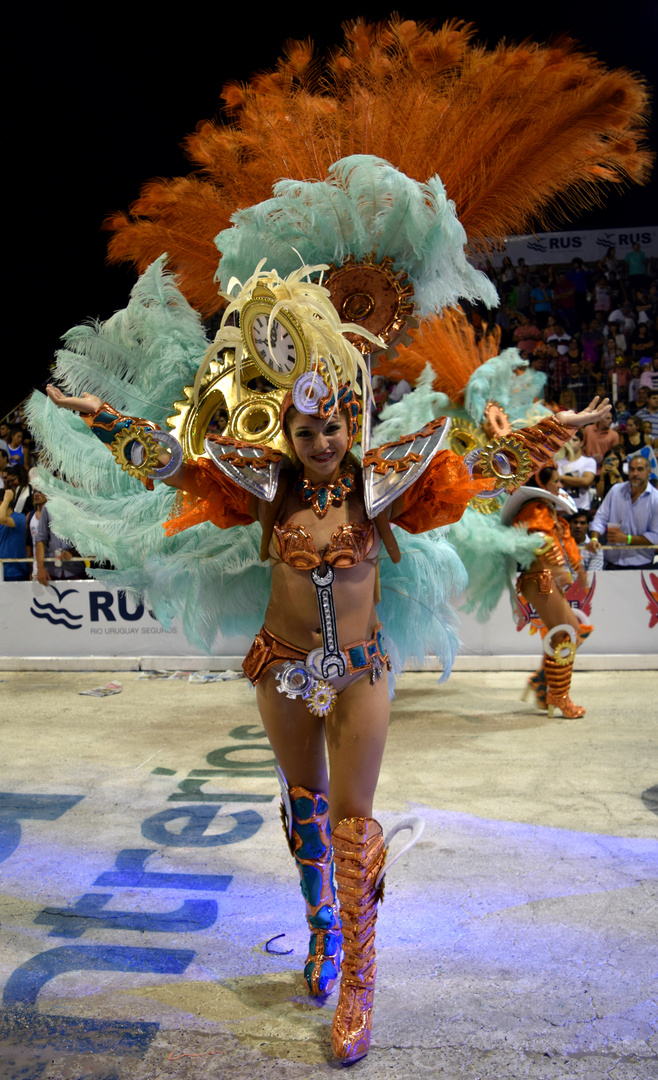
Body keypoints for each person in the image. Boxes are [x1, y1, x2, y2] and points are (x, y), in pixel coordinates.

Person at [44, 278, 610, 1064]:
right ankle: (322, 934)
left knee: (353, 825)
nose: (322, 443)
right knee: (306, 813)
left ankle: (359, 986)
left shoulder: (380, 488)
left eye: (333, 428)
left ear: (352, 423)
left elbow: (475, 475)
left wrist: (549, 433)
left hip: (359, 671)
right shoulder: (267, 487)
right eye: (307, 431)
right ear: (289, 430)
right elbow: (182, 470)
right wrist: (109, 421)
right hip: (279, 668)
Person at [504, 466, 592, 719]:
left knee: (570, 631)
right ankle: (558, 696)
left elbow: (563, 543)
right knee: (565, 635)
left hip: (542, 579)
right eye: (555, 481)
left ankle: (542, 684)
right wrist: (560, 567)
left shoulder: (545, 509)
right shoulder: (536, 509)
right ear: (543, 484)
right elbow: (541, 539)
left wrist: (575, 570)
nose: (559, 486)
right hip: (539, 579)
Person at [590, 456, 658, 568]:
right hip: (611, 561)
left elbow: (656, 536)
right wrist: (594, 538)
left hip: (641, 564)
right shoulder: (615, 490)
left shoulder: (655, 499)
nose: (635, 473)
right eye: (632, 469)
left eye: (640, 469)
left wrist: (628, 539)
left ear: (648, 472)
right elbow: (600, 518)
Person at [556, 431, 596, 511]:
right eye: (568, 440)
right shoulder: (558, 463)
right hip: (561, 508)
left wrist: (561, 477)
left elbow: (586, 481)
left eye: (574, 440)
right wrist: (577, 481)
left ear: (581, 443)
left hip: (581, 508)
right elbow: (555, 485)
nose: (571, 443)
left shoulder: (589, 461)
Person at [0, 487, 31, 581]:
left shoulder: (20, 518)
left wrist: (6, 499)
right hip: (1, 569)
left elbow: (2, 518)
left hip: (15, 571)